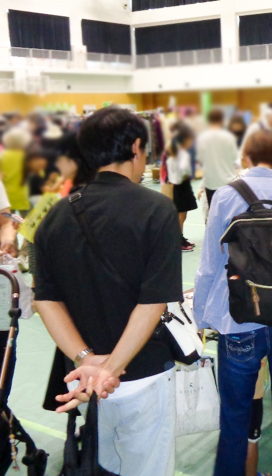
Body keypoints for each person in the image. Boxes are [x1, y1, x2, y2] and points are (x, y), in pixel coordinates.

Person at [33, 107, 182, 476]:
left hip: (86, 380)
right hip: (141, 371)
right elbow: (152, 302)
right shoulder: (157, 209)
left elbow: (45, 300)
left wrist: (86, 360)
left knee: (105, 464)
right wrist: (111, 368)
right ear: (135, 147)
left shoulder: (52, 216)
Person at [194, 130, 272, 476]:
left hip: (240, 320)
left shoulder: (225, 196)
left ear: (245, 158)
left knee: (234, 422)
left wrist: (202, 318)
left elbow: (209, 264)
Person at [196, 108, 240, 208]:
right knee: (228, 213)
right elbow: (234, 157)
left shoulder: (202, 138)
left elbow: (201, 161)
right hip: (228, 182)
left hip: (210, 183)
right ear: (222, 120)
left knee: (214, 214)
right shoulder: (229, 137)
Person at [166, 124, 198, 252]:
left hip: (182, 184)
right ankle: (177, 241)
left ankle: (180, 237)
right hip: (178, 185)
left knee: (183, 215)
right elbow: (181, 171)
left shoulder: (181, 150)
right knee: (180, 215)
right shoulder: (176, 151)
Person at [0, 128, 31, 215]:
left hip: (6, 195)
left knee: (8, 222)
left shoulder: (2, 156)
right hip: (23, 194)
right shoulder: (26, 156)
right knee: (26, 222)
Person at [55, 132, 96, 197]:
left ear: (76, 160)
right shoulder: (78, 183)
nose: (56, 165)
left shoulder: (82, 194)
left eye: (59, 160)